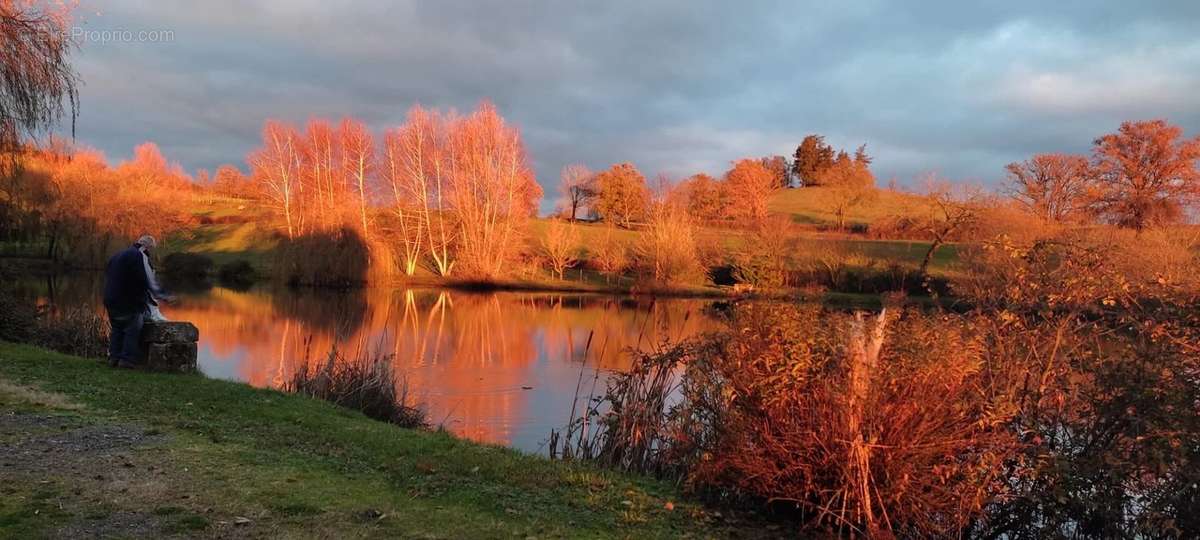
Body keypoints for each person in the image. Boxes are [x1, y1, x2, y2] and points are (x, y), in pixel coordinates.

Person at [102, 235, 173, 368]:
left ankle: (114, 358)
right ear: (147, 247)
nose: (150, 254)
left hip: (110, 299)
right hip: (128, 300)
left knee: (117, 328)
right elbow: (149, 281)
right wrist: (163, 296)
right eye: (151, 250)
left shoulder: (117, 255)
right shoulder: (140, 256)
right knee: (133, 328)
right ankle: (126, 360)